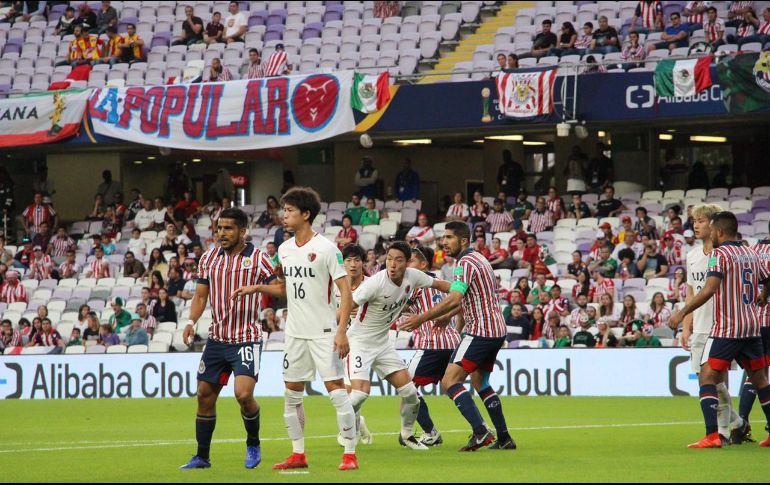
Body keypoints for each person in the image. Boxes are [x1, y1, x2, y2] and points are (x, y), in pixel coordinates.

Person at [238, 187, 359, 471]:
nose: (284, 216)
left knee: (337, 392)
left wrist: (341, 331)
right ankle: (298, 453)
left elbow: (346, 291)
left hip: (324, 332)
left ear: (306, 215)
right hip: (295, 333)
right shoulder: (284, 249)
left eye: (290, 211)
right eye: (284, 211)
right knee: (291, 393)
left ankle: (350, 454)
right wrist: (256, 287)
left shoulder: (328, 249)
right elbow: (284, 287)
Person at [400, 221, 516, 451]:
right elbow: (467, 298)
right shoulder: (480, 259)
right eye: (443, 237)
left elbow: (455, 297)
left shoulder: (465, 262)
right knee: (480, 382)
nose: (444, 242)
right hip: (495, 329)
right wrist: (449, 316)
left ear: (463, 241)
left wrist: (421, 318)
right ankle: (504, 438)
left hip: (480, 329)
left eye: (449, 237)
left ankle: (481, 432)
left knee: (450, 380)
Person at [179, 208, 277, 470]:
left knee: (243, 395)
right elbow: (200, 296)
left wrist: (257, 287)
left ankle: (253, 444)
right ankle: (202, 456)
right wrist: (190, 322)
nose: (221, 233)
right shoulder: (209, 258)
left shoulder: (258, 258)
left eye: (228, 228)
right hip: (217, 339)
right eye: (219, 228)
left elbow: (280, 287)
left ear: (243, 231)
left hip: (246, 338)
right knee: (203, 395)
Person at [669, 211, 770, 448]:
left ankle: (713, 435)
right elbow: (767, 277)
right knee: (760, 380)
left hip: (727, 328)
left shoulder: (718, 255)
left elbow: (710, 288)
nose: (710, 233)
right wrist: (763, 296)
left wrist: (683, 312)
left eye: (712, 230)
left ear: (720, 231)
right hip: (752, 326)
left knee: (707, 375)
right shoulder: (751, 252)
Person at [345, 242, 450, 450]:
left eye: (398, 260)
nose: (392, 264)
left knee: (411, 395)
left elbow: (442, 285)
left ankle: (406, 436)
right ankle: (348, 429)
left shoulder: (413, 276)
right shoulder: (375, 283)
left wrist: (465, 288)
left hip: (383, 344)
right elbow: (348, 306)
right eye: (389, 259)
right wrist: (338, 332)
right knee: (358, 394)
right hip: (360, 342)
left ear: (407, 262)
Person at [677, 204, 744, 442]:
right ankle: (736, 422)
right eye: (694, 220)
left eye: (702, 221)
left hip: (722, 325)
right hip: (700, 326)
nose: (696, 225)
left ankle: (723, 432)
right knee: (708, 381)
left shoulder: (723, 255)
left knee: (716, 379)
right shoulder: (692, 255)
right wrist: (686, 326)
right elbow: (691, 292)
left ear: (714, 225)